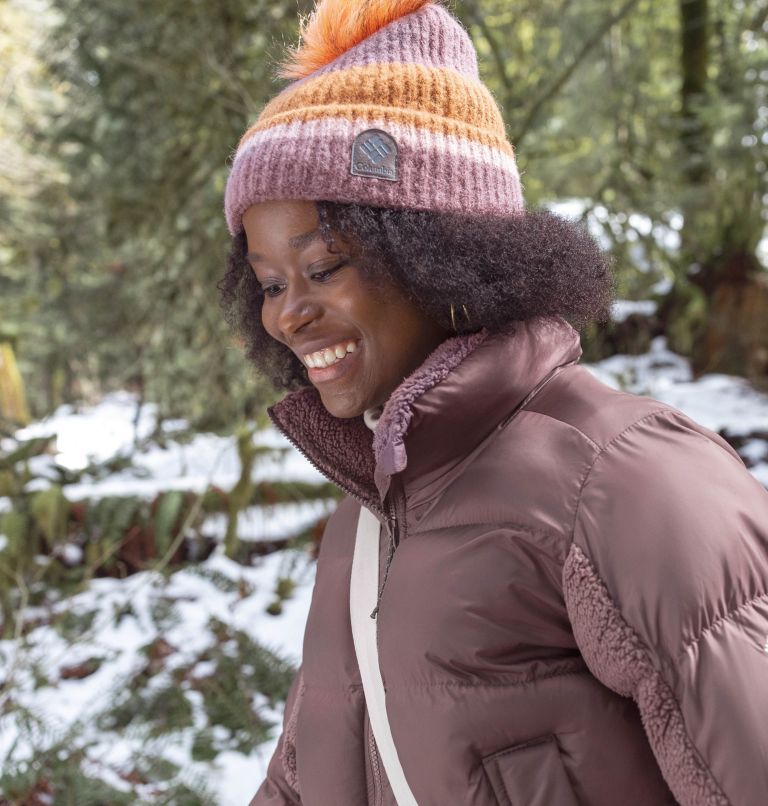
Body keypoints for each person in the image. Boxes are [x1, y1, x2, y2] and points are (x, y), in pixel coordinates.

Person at [220, 1, 768, 804]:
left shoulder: (626, 479)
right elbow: (310, 770)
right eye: (269, 283)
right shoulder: (369, 516)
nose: (287, 313)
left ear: (443, 254)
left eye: (325, 266)